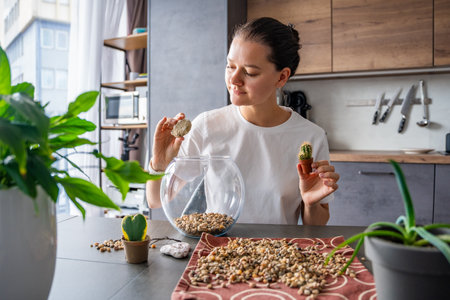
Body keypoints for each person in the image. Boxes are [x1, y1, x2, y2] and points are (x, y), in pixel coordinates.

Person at [146, 17, 339, 225]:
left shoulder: (310, 137)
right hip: (218, 251)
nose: (234, 80)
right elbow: (156, 200)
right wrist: (158, 164)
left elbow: (316, 226)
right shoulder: (207, 126)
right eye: (230, 66)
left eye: (249, 72)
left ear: (281, 77)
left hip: (279, 254)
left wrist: (310, 203)